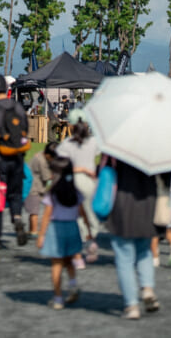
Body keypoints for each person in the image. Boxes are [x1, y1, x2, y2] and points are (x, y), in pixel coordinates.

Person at [107, 157, 164, 320]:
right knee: (144, 251)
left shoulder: (118, 148)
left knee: (124, 257)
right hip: (148, 201)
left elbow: (104, 170)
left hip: (122, 200)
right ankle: (147, 288)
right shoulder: (154, 148)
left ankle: (132, 305)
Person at [0, 75, 30, 249]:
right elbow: (24, 132)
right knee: (15, 194)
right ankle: (17, 218)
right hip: (17, 157)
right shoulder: (18, 107)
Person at [36, 157, 83, 310]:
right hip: (72, 227)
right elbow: (82, 212)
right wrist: (88, 230)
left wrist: (41, 235)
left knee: (56, 265)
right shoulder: (76, 191)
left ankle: (58, 299)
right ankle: (73, 284)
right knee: (69, 261)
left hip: (56, 229)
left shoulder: (52, 193)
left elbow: (47, 215)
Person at [56, 108, 100, 267]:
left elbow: (60, 166)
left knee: (76, 218)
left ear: (71, 125)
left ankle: (77, 256)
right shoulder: (94, 141)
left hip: (73, 182)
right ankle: (92, 240)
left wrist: (79, 169)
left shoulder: (66, 144)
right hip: (90, 182)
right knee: (90, 214)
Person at [25, 142, 58, 245]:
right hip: (33, 188)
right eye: (52, 157)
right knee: (34, 211)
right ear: (48, 155)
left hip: (36, 187)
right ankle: (34, 231)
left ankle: (32, 230)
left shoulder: (40, 155)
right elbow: (47, 177)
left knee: (33, 210)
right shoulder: (42, 161)